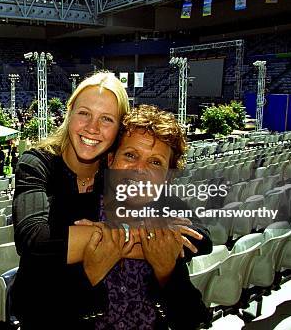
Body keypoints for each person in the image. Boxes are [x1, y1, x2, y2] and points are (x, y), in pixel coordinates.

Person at [12, 71, 130, 328]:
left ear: (120, 129)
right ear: (69, 113)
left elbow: (196, 237)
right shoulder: (37, 163)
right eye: (84, 113)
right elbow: (32, 241)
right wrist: (120, 236)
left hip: (97, 312)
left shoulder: (118, 173)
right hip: (41, 313)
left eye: (107, 119)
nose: (92, 128)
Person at [93, 105, 212, 329]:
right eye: (130, 155)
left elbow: (192, 317)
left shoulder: (165, 219)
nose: (140, 169)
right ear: (110, 160)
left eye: (155, 162)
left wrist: (165, 273)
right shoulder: (76, 211)